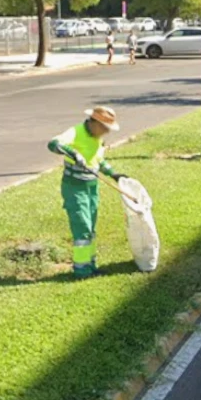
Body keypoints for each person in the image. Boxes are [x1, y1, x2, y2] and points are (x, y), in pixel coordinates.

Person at [47, 106, 126, 278]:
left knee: (90, 227)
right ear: (94, 122)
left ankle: (91, 265)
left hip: (92, 186)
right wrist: (73, 153)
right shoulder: (75, 132)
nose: (106, 132)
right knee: (82, 226)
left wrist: (114, 174)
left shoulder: (97, 138)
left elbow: (99, 161)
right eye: (104, 128)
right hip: (75, 187)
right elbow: (53, 144)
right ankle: (81, 270)